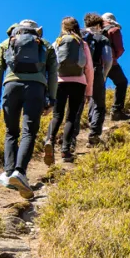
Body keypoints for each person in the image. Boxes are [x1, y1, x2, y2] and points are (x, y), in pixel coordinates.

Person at [0, 19, 57, 199]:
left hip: (11, 87)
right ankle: (20, 172)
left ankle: (9, 172)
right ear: (36, 31)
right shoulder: (45, 45)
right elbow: (53, 73)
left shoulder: (6, 43)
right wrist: (51, 98)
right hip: (36, 88)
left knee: (11, 132)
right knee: (29, 131)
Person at [43, 17, 94, 164]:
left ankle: (50, 141)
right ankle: (65, 151)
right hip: (78, 83)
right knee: (71, 117)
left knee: (57, 115)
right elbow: (89, 69)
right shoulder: (82, 44)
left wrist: (48, 89)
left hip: (59, 82)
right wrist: (89, 92)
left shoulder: (57, 43)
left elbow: (50, 68)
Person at [82, 13, 114, 145]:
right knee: (98, 103)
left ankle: (69, 142)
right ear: (98, 25)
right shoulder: (102, 38)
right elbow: (108, 60)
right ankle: (94, 134)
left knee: (76, 105)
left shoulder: (78, 37)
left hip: (78, 73)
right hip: (95, 70)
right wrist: (104, 74)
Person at [102, 12, 129, 120]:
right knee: (122, 82)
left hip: (95, 64)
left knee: (99, 88)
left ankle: (94, 116)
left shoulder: (93, 30)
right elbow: (120, 49)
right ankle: (116, 111)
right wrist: (114, 57)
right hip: (111, 63)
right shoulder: (114, 30)